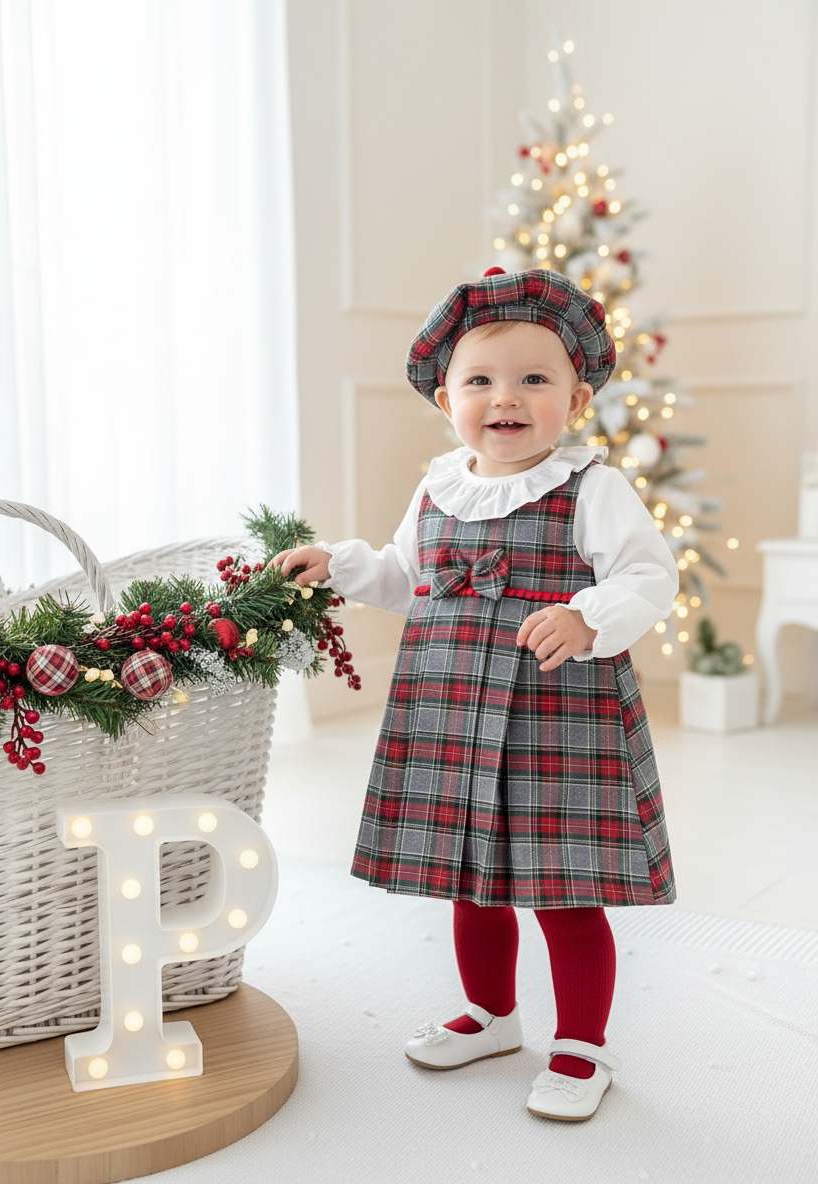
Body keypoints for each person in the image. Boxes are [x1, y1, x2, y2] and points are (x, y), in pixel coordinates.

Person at [270, 267, 678, 1121]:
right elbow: (403, 578)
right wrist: (340, 566)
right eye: (481, 380)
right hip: (452, 709)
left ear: (576, 394)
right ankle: (492, 1015)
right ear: (446, 396)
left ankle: (580, 1047)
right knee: (473, 880)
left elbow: (648, 573)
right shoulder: (438, 489)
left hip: (559, 719)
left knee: (565, 889)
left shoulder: (591, 487)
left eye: (536, 378)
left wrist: (587, 613)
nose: (508, 398)